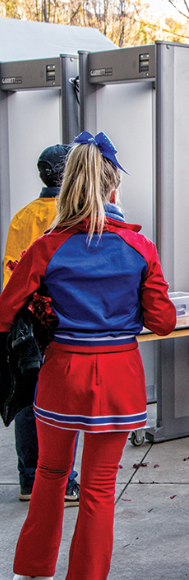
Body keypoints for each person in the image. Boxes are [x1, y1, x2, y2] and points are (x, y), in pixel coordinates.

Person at [3, 131, 176, 580]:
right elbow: (162, 320)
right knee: (99, 489)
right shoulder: (139, 247)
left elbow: (5, 311)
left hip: (60, 374)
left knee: (50, 474)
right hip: (117, 375)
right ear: (112, 188)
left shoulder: (46, 246)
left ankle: (34, 573)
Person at [2, 144, 81, 505]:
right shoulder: (73, 217)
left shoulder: (22, 216)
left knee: (27, 400)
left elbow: (11, 272)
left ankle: (28, 478)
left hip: (25, 323)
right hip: (61, 323)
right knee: (60, 405)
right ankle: (63, 480)